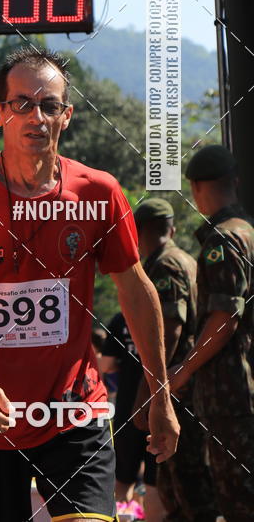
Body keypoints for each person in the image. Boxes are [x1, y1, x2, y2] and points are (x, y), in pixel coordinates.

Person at [0, 46, 179, 522]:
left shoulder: (97, 192)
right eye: (22, 104)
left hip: (73, 411)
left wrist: (161, 394)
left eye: (50, 105)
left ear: (66, 116)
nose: (37, 117)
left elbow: (136, 292)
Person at [170, 144, 254, 522]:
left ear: (196, 188)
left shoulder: (222, 240)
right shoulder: (248, 232)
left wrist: (184, 369)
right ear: (234, 181)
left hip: (231, 398)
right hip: (244, 393)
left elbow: (224, 318)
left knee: (238, 502)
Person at [131, 198, 217, 522]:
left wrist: (151, 392)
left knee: (186, 489)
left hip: (178, 393)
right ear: (172, 228)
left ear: (138, 232)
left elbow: (169, 329)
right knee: (184, 488)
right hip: (191, 388)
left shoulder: (164, 265)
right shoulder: (186, 260)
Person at [100, 310, 152, 519]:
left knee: (123, 479)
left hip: (128, 407)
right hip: (166, 405)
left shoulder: (122, 317)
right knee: (156, 484)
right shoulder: (174, 307)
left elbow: (106, 364)